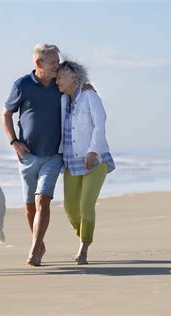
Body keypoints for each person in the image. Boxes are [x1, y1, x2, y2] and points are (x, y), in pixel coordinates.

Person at [1, 43, 63, 266]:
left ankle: (35, 249)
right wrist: (14, 142)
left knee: (42, 200)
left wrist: (88, 88)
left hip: (54, 155)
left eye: (58, 61)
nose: (58, 65)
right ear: (39, 63)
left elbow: (79, 86)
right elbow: (6, 114)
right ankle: (39, 242)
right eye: (53, 62)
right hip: (27, 156)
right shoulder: (22, 85)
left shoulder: (61, 82)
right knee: (29, 205)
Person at [56, 59, 116, 265]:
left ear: (74, 77)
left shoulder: (90, 96)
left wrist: (93, 151)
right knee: (70, 208)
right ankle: (83, 234)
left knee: (85, 205)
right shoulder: (63, 100)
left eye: (60, 77)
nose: (57, 81)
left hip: (94, 159)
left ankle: (84, 247)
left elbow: (100, 123)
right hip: (70, 160)